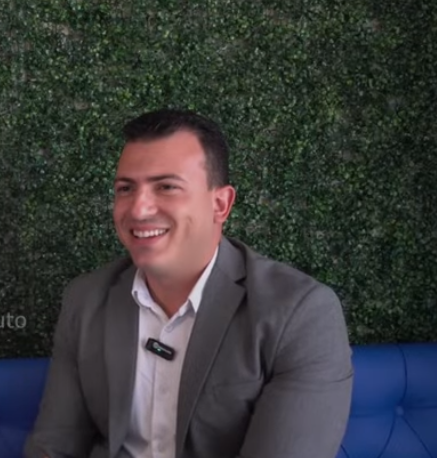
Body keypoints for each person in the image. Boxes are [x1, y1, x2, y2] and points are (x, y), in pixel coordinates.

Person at [23, 108, 354, 458]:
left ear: (220, 204)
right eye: (126, 188)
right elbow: (54, 446)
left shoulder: (300, 313)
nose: (138, 209)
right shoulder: (86, 299)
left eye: (166, 187)